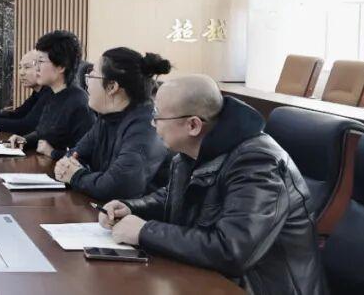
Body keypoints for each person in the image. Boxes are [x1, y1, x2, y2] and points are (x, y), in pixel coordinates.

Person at [99, 74, 326, 294]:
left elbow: (232, 250)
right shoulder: (191, 153)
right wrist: (131, 207)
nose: (152, 124)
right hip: (213, 279)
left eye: (157, 116)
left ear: (193, 125)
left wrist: (144, 231)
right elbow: (172, 197)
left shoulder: (257, 164)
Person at [54, 48, 170, 201]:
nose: (87, 84)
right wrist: (72, 169)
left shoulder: (146, 126)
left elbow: (118, 187)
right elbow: (74, 155)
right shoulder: (107, 118)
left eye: (92, 76)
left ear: (112, 87)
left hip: (136, 214)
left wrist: (76, 176)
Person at [6, 31, 94, 157]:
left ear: (61, 66)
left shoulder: (79, 103)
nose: (36, 69)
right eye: (35, 63)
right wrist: (25, 140)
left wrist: (53, 152)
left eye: (41, 62)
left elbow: (87, 156)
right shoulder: (51, 94)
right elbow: (43, 133)